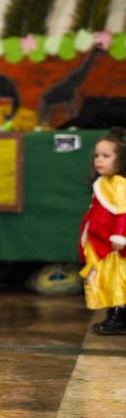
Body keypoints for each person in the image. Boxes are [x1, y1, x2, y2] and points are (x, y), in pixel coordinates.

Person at [79, 127, 126, 335]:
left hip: (114, 248)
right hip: (101, 243)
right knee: (107, 280)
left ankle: (118, 317)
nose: (99, 160)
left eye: (106, 156)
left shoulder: (120, 185)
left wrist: (120, 236)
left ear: (121, 159)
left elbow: (124, 212)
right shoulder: (102, 183)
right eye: (97, 155)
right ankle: (113, 315)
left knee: (117, 281)